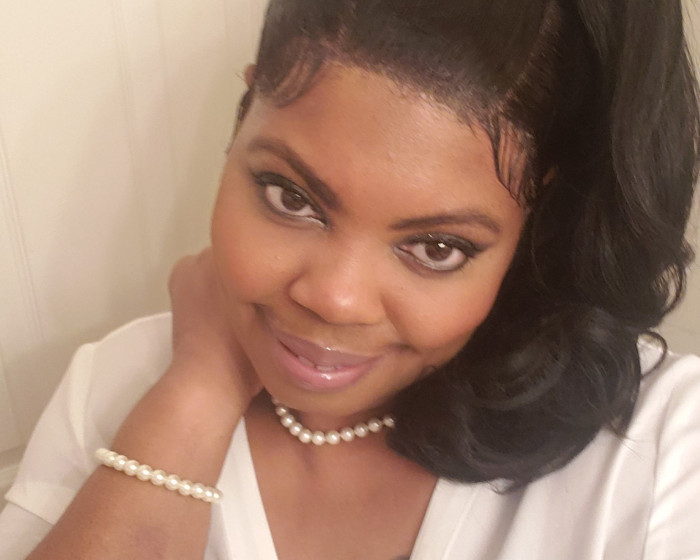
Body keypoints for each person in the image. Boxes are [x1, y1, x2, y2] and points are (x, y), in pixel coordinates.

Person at [1, 0, 699, 557]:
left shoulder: (663, 446)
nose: (335, 299)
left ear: (531, 230)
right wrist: (195, 397)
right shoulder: (115, 385)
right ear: (241, 119)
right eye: (290, 197)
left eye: (437, 248)